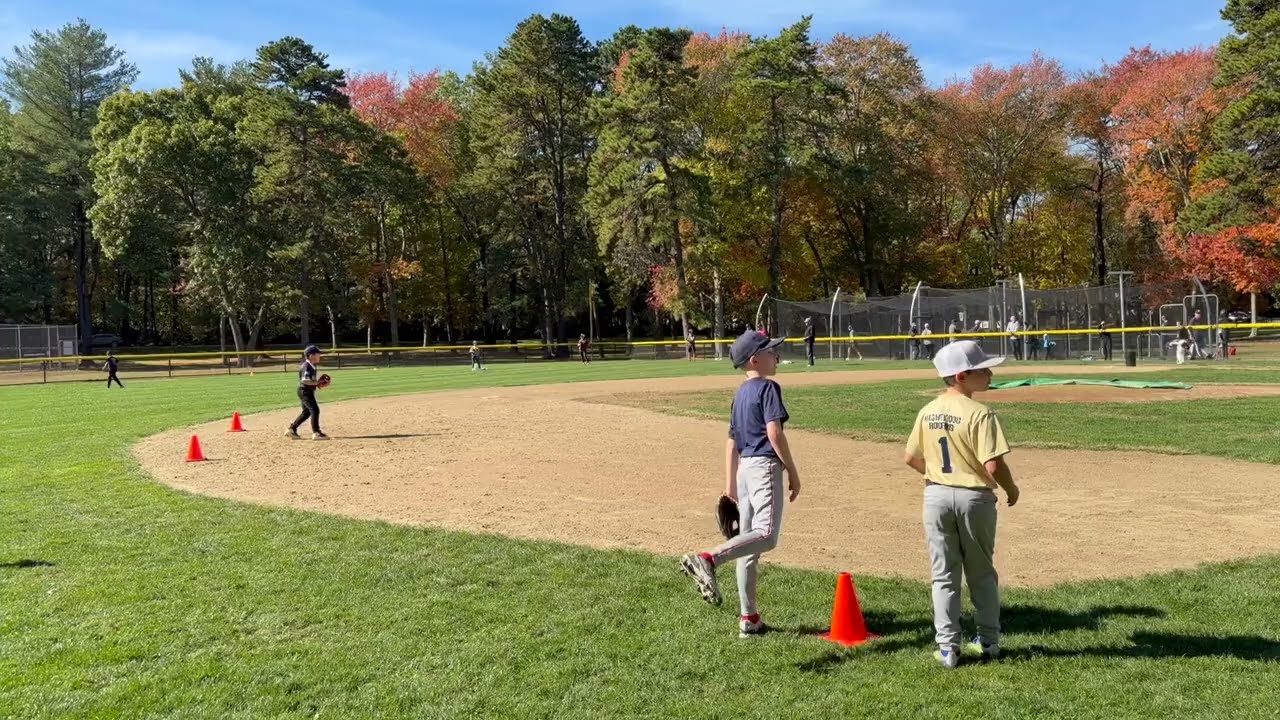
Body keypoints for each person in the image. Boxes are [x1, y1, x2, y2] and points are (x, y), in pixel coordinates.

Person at [903, 340, 1020, 670]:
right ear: (962, 375)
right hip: (974, 498)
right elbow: (993, 465)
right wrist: (1011, 489)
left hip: (936, 496)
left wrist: (940, 476)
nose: (990, 373)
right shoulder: (981, 414)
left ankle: (947, 648)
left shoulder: (927, 411)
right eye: (982, 369)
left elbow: (911, 458)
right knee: (981, 572)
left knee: (943, 575)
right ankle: (988, 640)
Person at [681, 329, 800, 638]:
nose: (776, 355)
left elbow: (731, 442)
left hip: (744, 470)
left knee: (747, 546)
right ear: (754, 359)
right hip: (762, 466)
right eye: (771, 351)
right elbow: (775, 434)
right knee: (766, 535)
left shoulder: (740, 393)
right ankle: (708, 558)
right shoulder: (768, 388)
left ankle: (749, 619)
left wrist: (730, 486)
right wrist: (793, 470)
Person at [287, 345, 328, 440]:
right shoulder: (307, 366)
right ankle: (316, 433)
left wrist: (317, 384)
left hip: (305, 390)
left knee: (306, 412)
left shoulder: (311, 366)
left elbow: (309, 381)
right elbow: (305, 380)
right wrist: (318, 382)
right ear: (310, 355)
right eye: (317, 354)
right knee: (315, 410)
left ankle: (292, 429)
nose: (319, 356)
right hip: (305, 391)